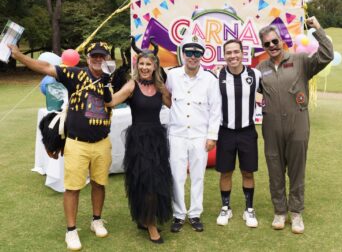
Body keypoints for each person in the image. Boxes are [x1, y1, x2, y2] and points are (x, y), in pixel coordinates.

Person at [9, 42, 114, 250]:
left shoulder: (110, 78)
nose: (98, 59)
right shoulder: (75, 74)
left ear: (107, 58)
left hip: (102, 142)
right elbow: (46, 68)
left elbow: (117, 97)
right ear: (88, 57)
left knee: (99, 184)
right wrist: (19, 56)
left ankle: (96, 220)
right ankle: (71, 231)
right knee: (73, 188)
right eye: (95, 55)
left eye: (102, 56)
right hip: (77, 143)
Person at [256, 16, 333, 234]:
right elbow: (247, 89)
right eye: (267, 44)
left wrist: (317, 27)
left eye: (274, 41)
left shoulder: (300, 60)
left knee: (297, 170)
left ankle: (296, 213)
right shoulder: (261, 68)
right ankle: (280, 212)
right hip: (271, 125)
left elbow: (327, 55)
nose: (271, 46)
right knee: (275, 169)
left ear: (281, 40)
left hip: (297, 122)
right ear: (263, 47)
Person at [103, 46, 172, 244]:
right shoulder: (132, 85)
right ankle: (150, 224)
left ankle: (146, 218)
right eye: (141, 63)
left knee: (157, 181)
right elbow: (111, 102)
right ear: (137, 65)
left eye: (148, 64)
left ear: (155, 66)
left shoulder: (160, 87)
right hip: (139, 141)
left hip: (157, 140)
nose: (144, 67)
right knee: (145, 182)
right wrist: (106, 84)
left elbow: (174, 104)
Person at [166, 34, 221, 233]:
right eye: (189, 52)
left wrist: (212, 136)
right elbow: (165, 97)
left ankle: (195, 213)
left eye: (197, 52)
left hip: (200, 135)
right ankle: (179, 215)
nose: (193, 56)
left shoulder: (210, 79)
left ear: (202, 56)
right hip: (177, 135)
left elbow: (216, 109)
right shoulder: (172, 75)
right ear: (183, 53)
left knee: (198, 176)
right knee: (177, 176)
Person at [215, 39, 261, 228]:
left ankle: (249, 210)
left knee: (247, 171)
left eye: (236, 52)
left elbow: (271, 93)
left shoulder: (255, 74)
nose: (232, 56)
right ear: (224, 55)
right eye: (229, 52)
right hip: (225, 132)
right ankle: (226, 208)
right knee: (226, 172)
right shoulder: (217, 75)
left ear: (243, 53)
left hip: (247, 131)